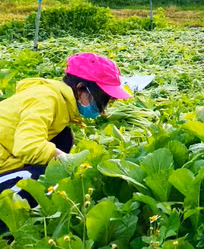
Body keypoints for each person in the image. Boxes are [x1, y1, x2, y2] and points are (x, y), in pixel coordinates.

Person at [0, 52, 132, 203]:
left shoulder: (60, 103)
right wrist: (67, 161)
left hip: (7, 158)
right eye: (103, 98)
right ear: (81, 87)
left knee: (64, 137)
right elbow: (26, 146)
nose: (104, 107)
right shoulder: (45, 99)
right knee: (44, 181)